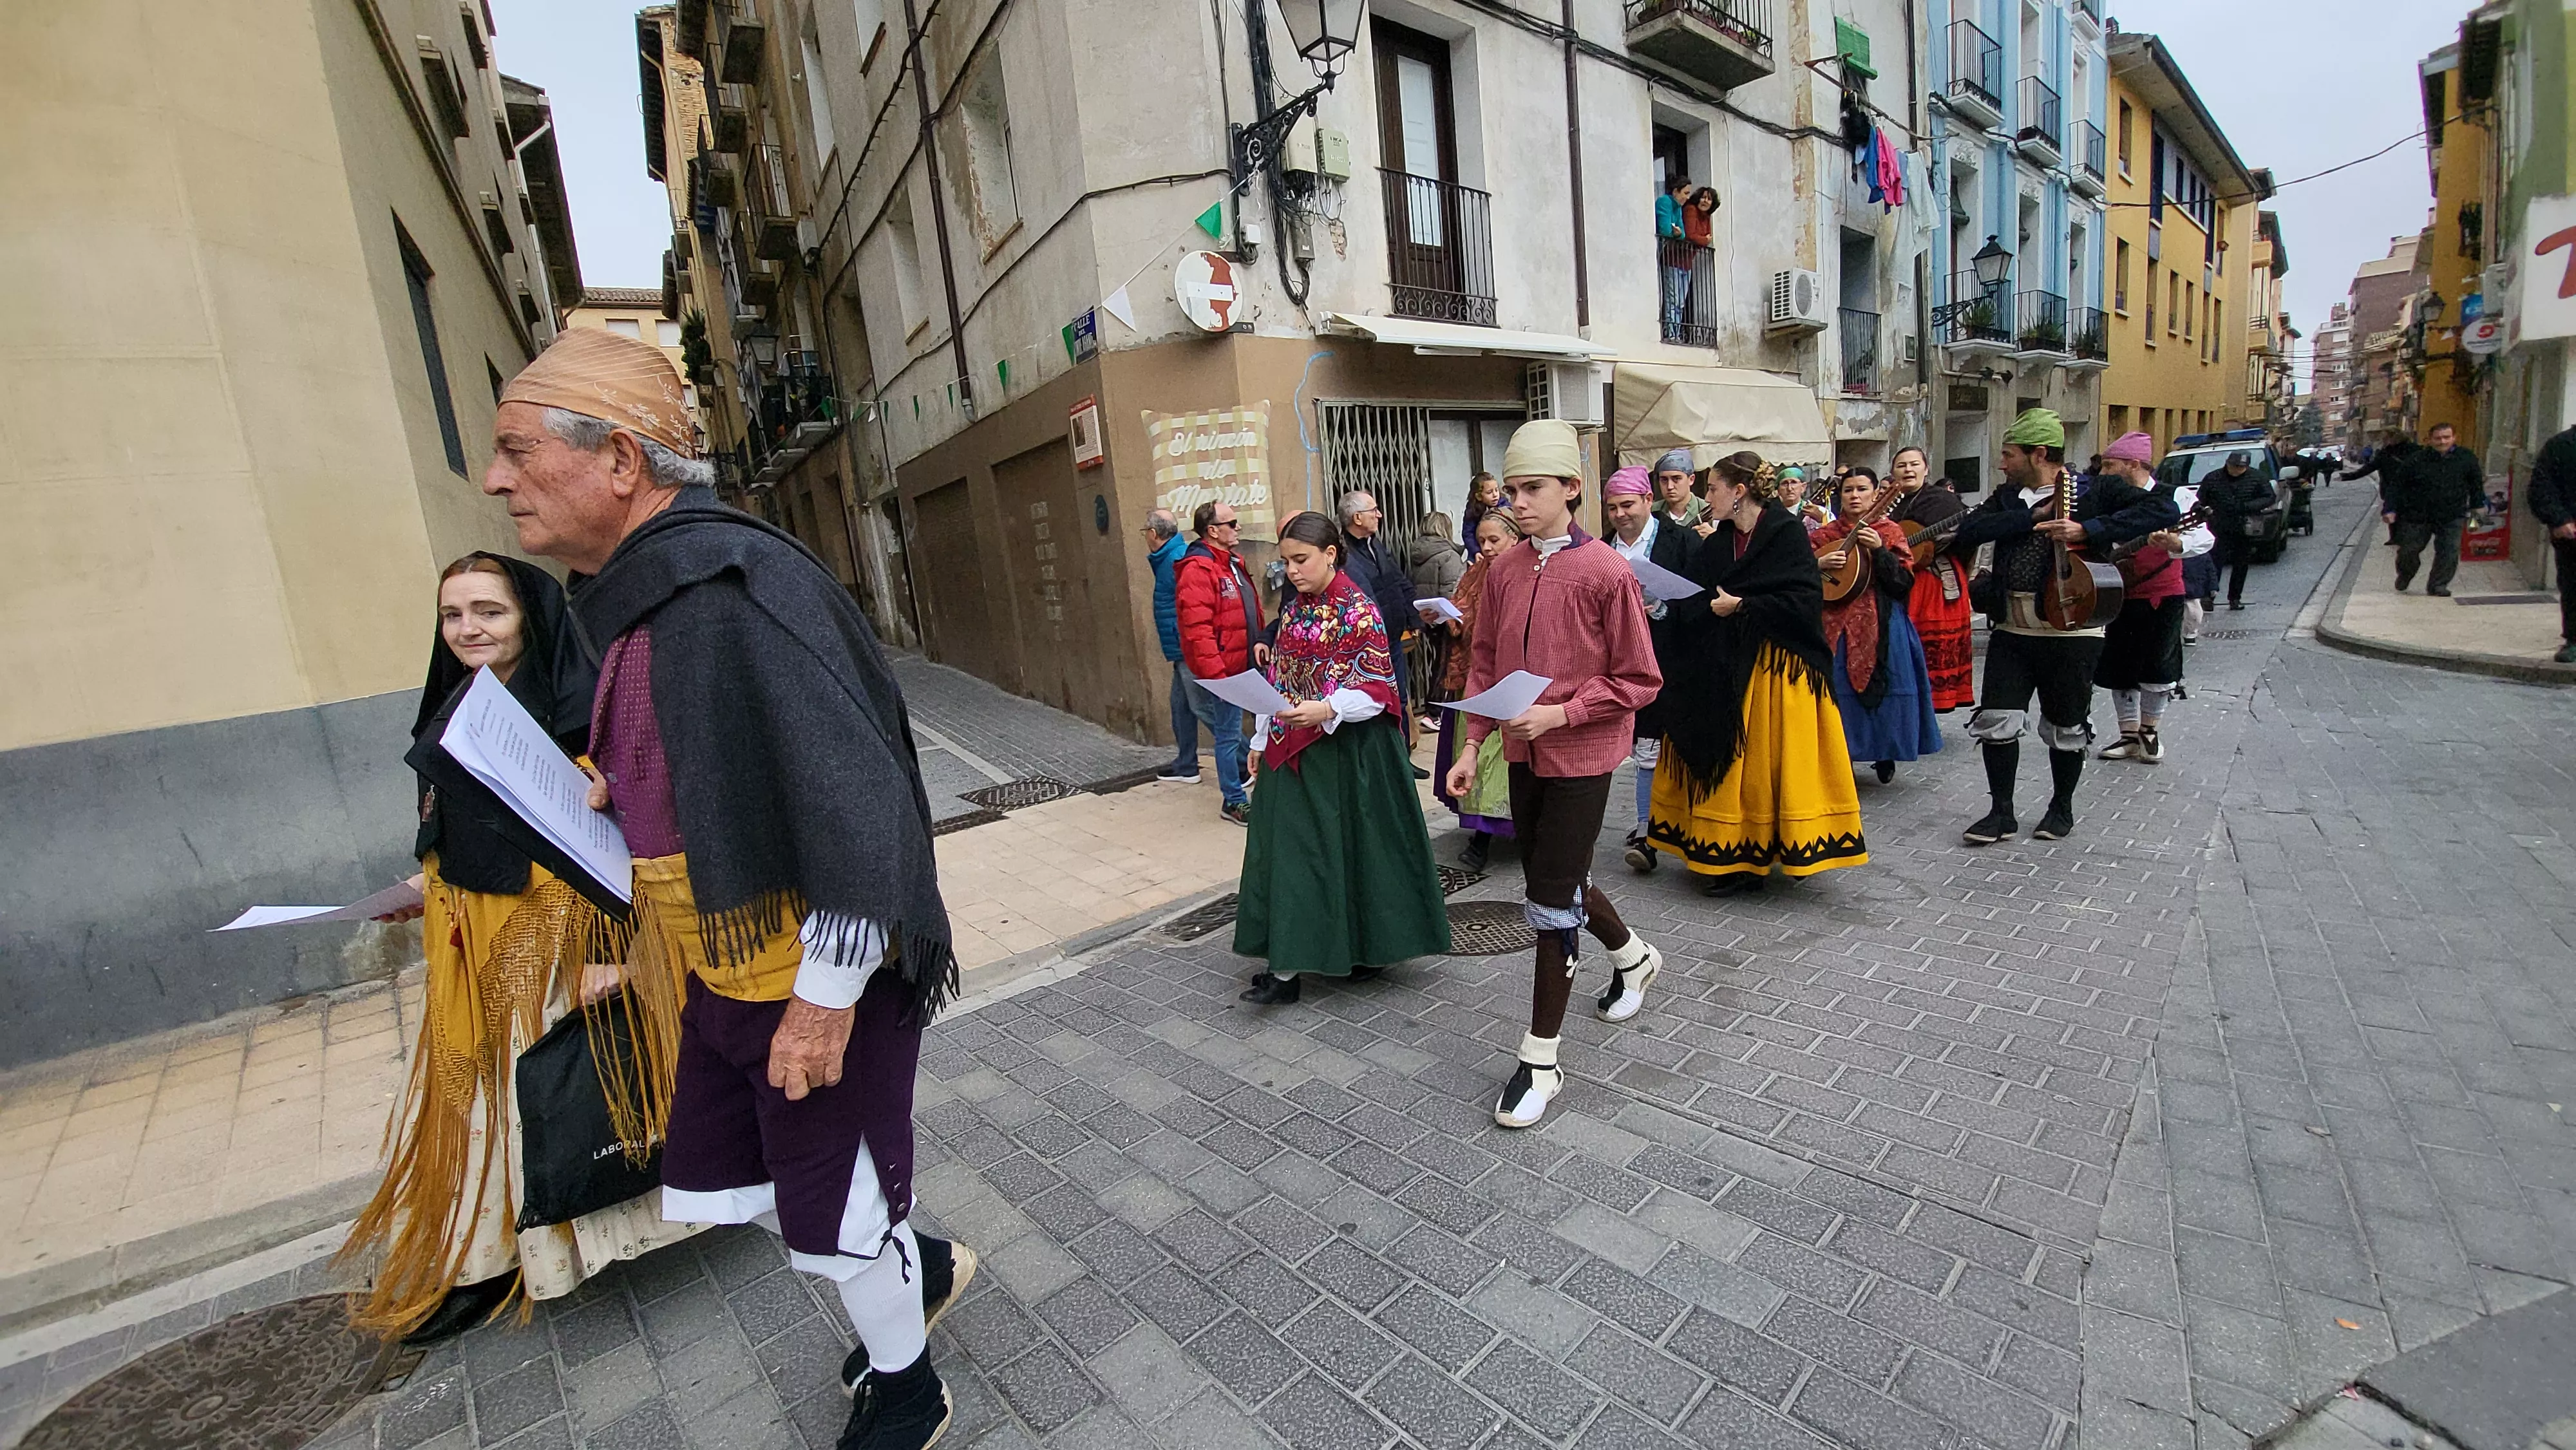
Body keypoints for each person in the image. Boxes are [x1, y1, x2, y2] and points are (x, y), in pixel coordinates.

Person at [482, 328, 967, 1450]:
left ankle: (910, 1391)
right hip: (730, 961)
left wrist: (826, 993)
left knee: (832, 1202)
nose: (498, 479)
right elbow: (705, 764)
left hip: (800, 962)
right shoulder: (654, 591)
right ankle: (921, 1263)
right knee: (804, 1183)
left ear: (619, 462)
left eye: (516, 450)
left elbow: (859, 800)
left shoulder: (729, 589)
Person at [342, 553, 699, 1344]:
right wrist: (422, 884)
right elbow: (463, 828)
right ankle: (483, 1258)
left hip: (560, 952)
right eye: (452, 615)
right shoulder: (453, 708)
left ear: (528, 619)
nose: (467, 629)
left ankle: (535, 1251)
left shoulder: (579, 714)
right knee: (480, 1103)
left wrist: (614, 951)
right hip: (469, 944)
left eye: (488, 612)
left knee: (550, 1093)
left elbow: (617, 846)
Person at [1444, 419, 1664, 1129]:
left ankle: (1541, 1059)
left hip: (1583, 753)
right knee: (1560, 881)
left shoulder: (1606, 571)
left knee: (1546, 900)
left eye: (1533, 488)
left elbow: (1639, 677)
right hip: (1517, 751)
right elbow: (1484, 661)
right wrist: (1472, 742)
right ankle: (1633, 958)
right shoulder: (1504, 570)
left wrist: (1563, 714)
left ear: (1572, 488)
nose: (1520, 502)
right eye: (1511, 490)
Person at [1235, 513, 1453, 1003]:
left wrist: (1329, 708)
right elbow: (1283, 678)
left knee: (1345, 853)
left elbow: (1378, 688)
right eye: (1286, 561)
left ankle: (1343, 953)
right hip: (1292, 748)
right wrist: (1259, 739)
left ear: (1330, 554)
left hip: (1347, 752)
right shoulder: (1297, 607)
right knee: (1295, 855)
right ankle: (1290, 962)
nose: (1291, 571)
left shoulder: (1359, 608)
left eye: (1301, 559)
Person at [1951, 408, 2177, 847]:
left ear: (2038, 454)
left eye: (2008, 454)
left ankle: (2061, 807)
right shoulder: (2009, 497)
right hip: (2013, 630)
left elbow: (2162, 507)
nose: (2002, 463)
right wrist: (2033, 518)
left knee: (2067, 724)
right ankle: (2001, 812)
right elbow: (1970, 531)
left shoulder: (2097, 488)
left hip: (2073, 631)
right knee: (1998, 718)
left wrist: (2088, 528)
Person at [1647, 451, 1868, 896]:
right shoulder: (1716, 541)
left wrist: (1744, 606)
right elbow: (1695, 594)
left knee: (1764, 769)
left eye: (1713, 488)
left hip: (1774, 669)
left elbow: (1804, 600)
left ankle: (1757, 857)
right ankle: (1727, 850)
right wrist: (1667, 603)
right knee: (1726, 760)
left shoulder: (1785, 534)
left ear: (1739, 491)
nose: (1707, 496)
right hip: (1723, 664)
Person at [1814, 468, 1942, 784]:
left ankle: (1885, 751)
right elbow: (1800, 577)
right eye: (1848, 490)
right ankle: (1839, 756)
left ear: (1876, 494)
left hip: (1882, 622)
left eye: (1862, 489)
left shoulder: (1890, 531)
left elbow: (1902, 583)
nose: (1854, 496)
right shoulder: (1823, 536)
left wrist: (1879, 550)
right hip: (1834, 623)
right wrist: (1817, 564)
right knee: (1838, 690)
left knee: (1885, 689)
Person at [1601, 467, 1696, 873]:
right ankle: (1646, 830)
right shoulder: (1601, 549)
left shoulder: (1682, 542)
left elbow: (1701, 600)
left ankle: (1674, 827)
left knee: (1669, 749)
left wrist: (1661, 607)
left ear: (1646, 501)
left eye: (1628, 505)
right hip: (1619, 664)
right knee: (1642, 749)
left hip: (1672, 659)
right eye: (1612, 508)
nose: (1621, 514)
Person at [1432, 509, 1524, 871]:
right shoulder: (1475, 573)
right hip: (1477, 675)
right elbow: (1464, 614)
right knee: (1478, 755)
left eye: (1494, 541)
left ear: (1514, 539)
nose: (1486, 548)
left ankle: (1513, 827)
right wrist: (1444, 621)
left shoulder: (1524, 573)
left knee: (1505, 760)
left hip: (1514, 678)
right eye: (1482, 541)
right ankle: (1482, 836)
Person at [2090, 433, 2191, 764]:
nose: (2103, 472)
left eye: (2110, 465)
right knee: (2121, 663)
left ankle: (2150, 732)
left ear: (2134, 465)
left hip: (2161, 593)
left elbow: (2203, 537)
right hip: (2116, 590)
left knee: (2158, 663)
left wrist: (2176, 545)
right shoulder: (2109, 499)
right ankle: (2128, 734)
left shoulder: (2174, 497)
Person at [1176, 501, 1270, 825]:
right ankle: (1233, 800)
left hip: (1247, 663)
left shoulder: (1231, 562)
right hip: (1226, 671)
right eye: (1231, 523)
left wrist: (1260, 642)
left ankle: (1262, 788)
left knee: (1266, 725)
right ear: (1213, 531)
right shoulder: (1198, 569)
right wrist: (1218, 675)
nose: (1238, 528)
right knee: (1228, 736)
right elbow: (1197, 628)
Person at [1887, 448, 1973, 711]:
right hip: (1895, 578)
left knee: (1928, 645)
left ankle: (1932, 704)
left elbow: (1961, 538)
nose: (1908, 469)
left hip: (1933, 580)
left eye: (1914, 464)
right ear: (1893, 473)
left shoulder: (1942, 501)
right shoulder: (1888, 504)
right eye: (1901, 465)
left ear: (1926, 469)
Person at [1339, 491, 1421, 753]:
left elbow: (1397, 580)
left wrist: (1414, 616)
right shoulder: (1345, 554)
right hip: (1371, 645)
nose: (1379, 515)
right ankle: (1393, 761)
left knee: (1401, 696)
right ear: (1357, 518)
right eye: (1374, 510)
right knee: (1381, 702)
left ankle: (1405, 757)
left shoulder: (1376, 544)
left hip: (1394, 637)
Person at [1143, 508, 1200, 784]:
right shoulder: (1170, 557)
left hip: (1187, 646)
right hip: (1180, 647)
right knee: (1181, 707)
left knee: (1203, 708)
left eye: (1146, 531)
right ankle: (1187, 763)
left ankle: (1245, 758)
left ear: (1153, 534)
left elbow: (1191, 605)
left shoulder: (1177, 559)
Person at [2393, 422, 2483, 595]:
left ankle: (2438, 585)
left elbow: (2476, 487)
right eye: (2438, 438)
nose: (2443, 442)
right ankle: (2406, 573)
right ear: (2430, 440)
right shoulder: (2417, 459)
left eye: (2446, 437)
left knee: (2449, 551)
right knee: (2408, 550)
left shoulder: (2467, 458)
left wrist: (2476, 513)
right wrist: (2391, 509)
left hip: (2453, 514)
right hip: (2419, 515)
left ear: (2454, 438)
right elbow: (2398, 485)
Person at [1405, 511, 1466, 713]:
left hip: (1428, 616)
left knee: (1437, 661)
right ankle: (1437, 710)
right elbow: (1452, 590)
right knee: (1446, 663)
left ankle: (1435, 708)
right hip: (1446, 617)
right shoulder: (1449, 555)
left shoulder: (1417, 554)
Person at [2196, 450, 2272, 609]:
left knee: (2241, 564)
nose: (2237, 470)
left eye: (2241, 467)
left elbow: (2269, 497)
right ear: (2228, 464)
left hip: (2244, 526)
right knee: (2214, 563)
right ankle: (2209, 597)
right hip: (2218, 526)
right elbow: (2200, 500)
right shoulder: (2213, 478)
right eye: (2234, 466)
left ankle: (2235, 598)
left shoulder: (2257, 477)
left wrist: (2248, 507)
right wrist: (2207, 512)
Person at [2530, 423, 2576, 663]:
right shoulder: (2561, 446)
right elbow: (2541, 487)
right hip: (2571, 534)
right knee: (2573, 586)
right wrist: (2559, 519)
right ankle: (2574, 640)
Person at [1657, 174, 1694, 339]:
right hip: (1668, 258)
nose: (1687, 197)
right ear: (1676, 191)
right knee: (1673, 299)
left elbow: (1683, 233)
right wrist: (1675, 233)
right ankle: (1671, 334)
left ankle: (1675, 332)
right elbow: (1665, 230)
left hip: (1676, 259)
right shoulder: (1665, 202)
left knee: (1679, 302)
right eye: (1685, 193)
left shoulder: (1678, 208)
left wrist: (1677, 233)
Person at [1652, 449, 1707, 530]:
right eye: (1664, 480)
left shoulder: (1707, 511)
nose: (1670, 486)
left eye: (1676, 479)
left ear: (1691, 479)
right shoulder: (1651, 512)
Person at [1461, 471, 1503, 549]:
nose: (1495, 495)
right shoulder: (1473, 510)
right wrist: (1475, 551)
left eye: (1497, 490)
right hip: (1480, 548)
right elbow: (1468, 533)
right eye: (1489, 492)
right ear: (1479, 496)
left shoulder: (1505, 507)